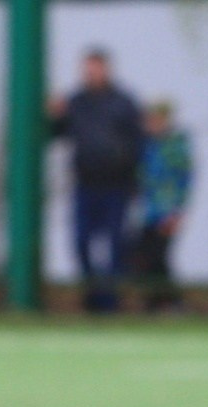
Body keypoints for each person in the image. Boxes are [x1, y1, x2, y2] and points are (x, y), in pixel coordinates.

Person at [48, 48, 145, 314]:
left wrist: (134, 178)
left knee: (116, 245)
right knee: (80, 242)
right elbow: (56, 135)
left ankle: (110, 302)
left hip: (116, 185)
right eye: (87, 69)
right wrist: (54, 116)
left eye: (96, 69)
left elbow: (139, 143)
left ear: (106, 69)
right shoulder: (75, 102)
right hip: (85, 184)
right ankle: (92, 295)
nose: (91, 74)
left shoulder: (124, 102)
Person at [131, 100, 192, 313]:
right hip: (147, 211)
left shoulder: (175, 147)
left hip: (165, 211)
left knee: (159, 258)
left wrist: (175, 212)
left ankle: (171, 301)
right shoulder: (147, 145)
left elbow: (183, 182)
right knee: (143, 257)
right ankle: (154, 301)